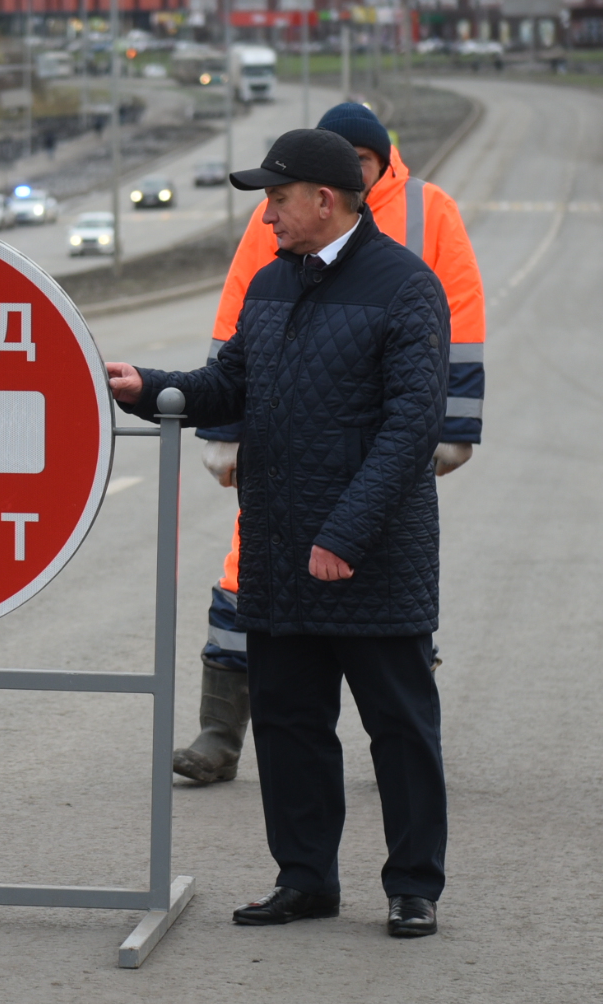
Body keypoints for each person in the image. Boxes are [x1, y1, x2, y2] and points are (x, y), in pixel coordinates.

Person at [107, 129, 450, 938]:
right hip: (277, 554)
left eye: (276, 199)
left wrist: (346, 535)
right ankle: (305, 880)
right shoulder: (270, 284)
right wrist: (148, 387)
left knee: (399, 730)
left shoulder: (406, 288)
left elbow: (410, 430)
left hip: (370, 560)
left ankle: (413, 887)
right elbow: (230, 385)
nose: (266, 217)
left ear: (323, 201)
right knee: (292, 729)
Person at [174, 101, 485, 786]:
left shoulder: (429, 210)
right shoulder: (281, 213)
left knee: (382, 578)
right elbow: (240, 317)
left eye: (362, 162)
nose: (354, 173)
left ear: (376, 164)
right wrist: (221, 428)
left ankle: (405, 738)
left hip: (383, 435)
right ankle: (220, 732)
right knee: (247, 571)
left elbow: (461, 317)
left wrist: (454, 428)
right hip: (288, 437)